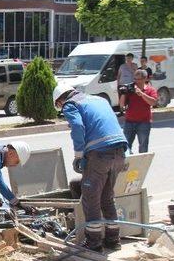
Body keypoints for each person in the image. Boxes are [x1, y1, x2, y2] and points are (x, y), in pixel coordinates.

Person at [53, 83, 129, 252]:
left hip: (100, 154)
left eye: (58, 106)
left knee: (90, 197)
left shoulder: (70, 104)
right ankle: (113, 240)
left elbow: (78, 127)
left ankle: (94, 243)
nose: (61, 110)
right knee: (107, 197)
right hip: (120, 152)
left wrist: (79, 155)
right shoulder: (99, 99)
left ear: (61, 99)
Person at [121, 69, 158, 154]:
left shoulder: (150, 90)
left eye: (139, 79)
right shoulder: (130, 90)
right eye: (135, 79)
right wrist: (123, 93)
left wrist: (142, 94)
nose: (136, 81)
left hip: (144, 122)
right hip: (129, 122)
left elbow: (153, 102)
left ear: (145, 79)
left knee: (143, 146)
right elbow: (122, 105)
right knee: (125, 146)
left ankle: (142, 165)